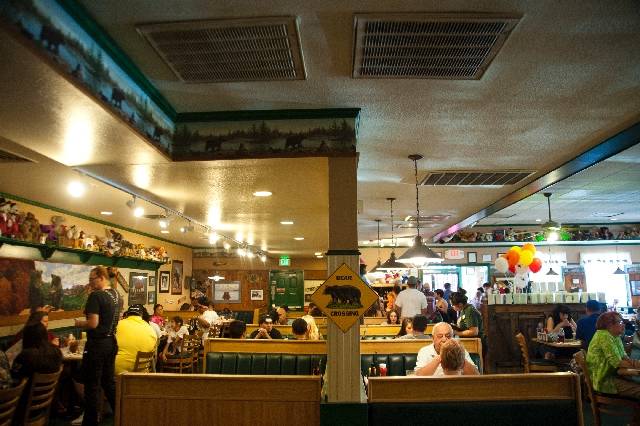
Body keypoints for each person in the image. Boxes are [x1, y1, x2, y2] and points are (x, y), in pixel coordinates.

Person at [74, 266, 120, 426]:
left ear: (101, 277)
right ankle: (122, 414)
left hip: (97, 344)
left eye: (92, 279)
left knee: (92, 385)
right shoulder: (116, 294)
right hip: (111, 342)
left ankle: (90, 421)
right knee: (108, 382)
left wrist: (80, 323)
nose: (90, 282)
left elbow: (93, 323)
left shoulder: (96, 296)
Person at [10, 320, 63, 423]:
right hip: (45, 404)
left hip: (22, 407)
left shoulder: (25, 356)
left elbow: (14, 381)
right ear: (45, 335)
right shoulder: (56, 352)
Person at [587, 312, 640, 400]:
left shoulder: (615, 336)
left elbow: (624, 356)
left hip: (614, 375)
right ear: (609, 325)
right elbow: (618, 363)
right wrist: (637, 365)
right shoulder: (604, 336)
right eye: (620, 322)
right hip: (604, 380)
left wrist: (635, 364)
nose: (623, 324)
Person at [415, 322, 479, 376]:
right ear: (433, 338)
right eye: (440, 336)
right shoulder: (425, 351)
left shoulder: (460, 350)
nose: (444, 339)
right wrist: (440, 357)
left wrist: (459, 356)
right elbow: (418, 376)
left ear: (453, 337)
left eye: (448, 336)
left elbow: (476, 375)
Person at [114, 304, 158, 375]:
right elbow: (153, 350)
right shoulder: (150, 329)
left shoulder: (118, 324)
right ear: (141, 315)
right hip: (141, 371)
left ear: (127, 314)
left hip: (118, 370)